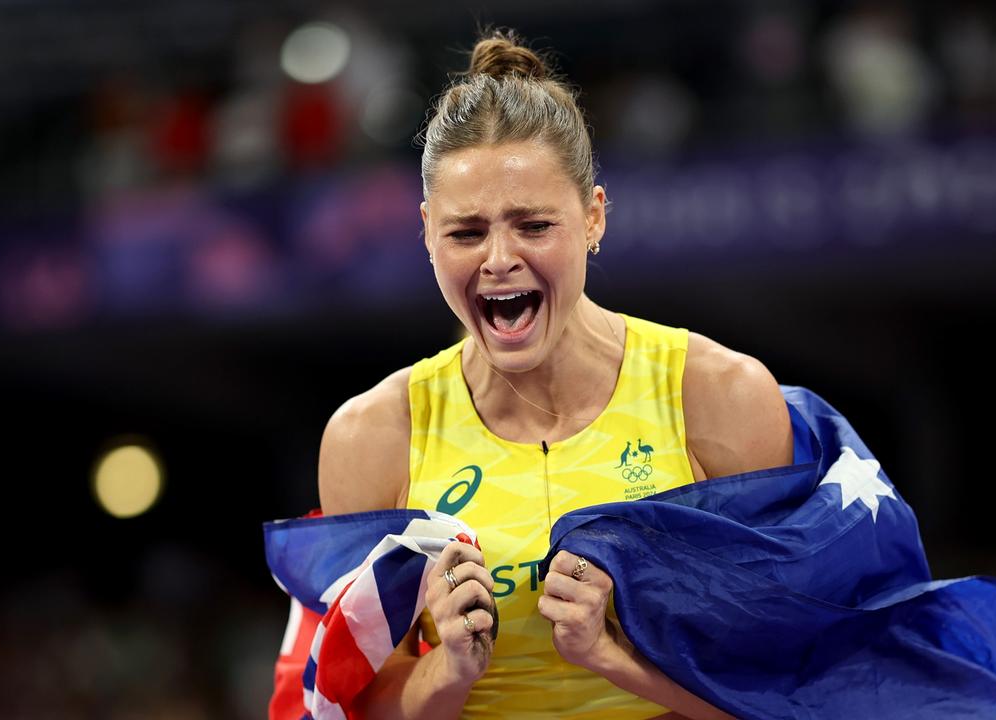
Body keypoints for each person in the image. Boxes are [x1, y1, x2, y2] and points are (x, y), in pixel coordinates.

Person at [315, 29, 793, 720]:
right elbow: (355, 701)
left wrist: (611, 658)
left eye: (533, 225)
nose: (499, 258)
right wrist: (445, 671)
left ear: (594, 216)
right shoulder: (371, 437)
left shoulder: (718, 396)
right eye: (466, 232)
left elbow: (785, 686)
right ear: (425, 232)